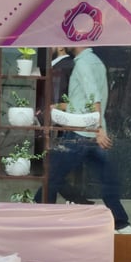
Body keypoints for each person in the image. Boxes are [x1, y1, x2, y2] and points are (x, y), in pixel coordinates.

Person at [35, 47, 131, 234]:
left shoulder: (82, 64)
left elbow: (93, 97)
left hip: (80, 132)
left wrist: (98, 129)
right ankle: (122, 224)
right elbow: (84, 100)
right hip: (91, 133)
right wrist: (59, 105)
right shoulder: (96, 61)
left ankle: (39, 219)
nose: (63, 46)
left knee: (52, 177)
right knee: (108, 180)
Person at [50, 46, 94, 205]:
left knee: (54, 171)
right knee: (54, 170)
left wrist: (60, 107)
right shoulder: (60, 65)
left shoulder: (68, 66)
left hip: (65, 122)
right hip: (59, 121)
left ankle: (75, 200)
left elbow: (75, 96)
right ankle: (77, 200)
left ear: (61, 46)